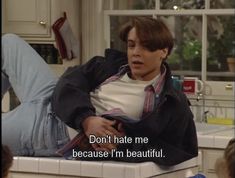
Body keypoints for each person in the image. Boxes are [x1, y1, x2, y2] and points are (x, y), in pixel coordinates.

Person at [2, 17, 198, 166]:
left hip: (46, 130)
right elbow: (69, 81)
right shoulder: (112, 66)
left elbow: (179, 150)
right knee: (8, 43)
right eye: (131, 45)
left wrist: (122, 147)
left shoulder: (170, 101)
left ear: (164, 51)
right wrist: (86, 120)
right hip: (49, 93)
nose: (136, 52)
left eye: (146, 47)